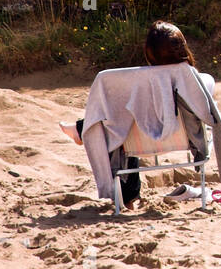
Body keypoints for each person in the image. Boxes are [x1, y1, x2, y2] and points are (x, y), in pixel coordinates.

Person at [60, 21, 202, 207]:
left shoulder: (138, 83)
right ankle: (80, 129)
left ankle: (81, 129)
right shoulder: (196, 79)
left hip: (138, 139)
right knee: (128, 123)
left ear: (149, 53)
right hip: (184, 139)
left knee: (123, 124)